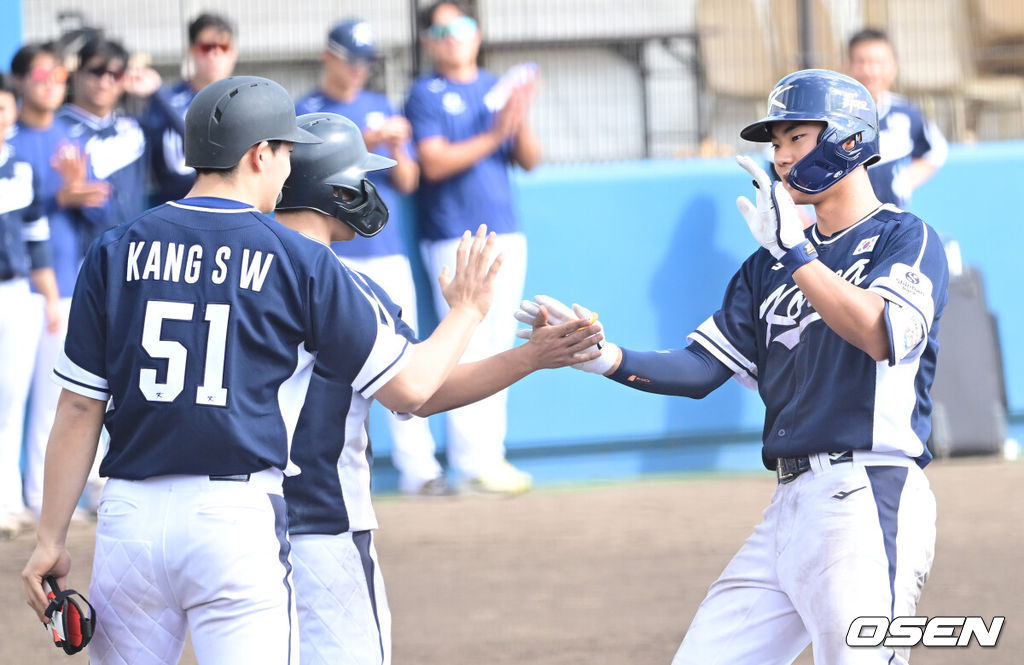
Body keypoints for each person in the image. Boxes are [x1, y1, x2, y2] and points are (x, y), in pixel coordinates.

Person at [19, 75, 499, 665]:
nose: (289, 167)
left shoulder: (115, 247)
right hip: (235, 519)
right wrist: (468, 310)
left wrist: (50, 538)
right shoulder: (299, 258)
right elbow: (414, 387)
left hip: (129, 519)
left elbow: (78, 407)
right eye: (286, 151)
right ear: (258, 154)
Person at [520, 70, 949, 665]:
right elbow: (702, 369)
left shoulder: (905, 237)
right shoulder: (767, 264)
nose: (781, 156)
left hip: (868, 494)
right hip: (788, 506)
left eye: (796, 137)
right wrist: (605, 357)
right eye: (776, 143)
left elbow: (879, 332)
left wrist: (796, 254)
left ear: (847, 138)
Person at [274, 112, 601, 665]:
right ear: (330, 188)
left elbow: (420, 387)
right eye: (358, 177)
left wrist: (531, 355)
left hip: (236, 522)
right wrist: (468, 312)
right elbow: (418, 393)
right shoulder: (346, 288)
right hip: (322, 523)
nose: (368, 189)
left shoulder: (232, 272)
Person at [295, 18, 450, 496]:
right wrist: (366, 141)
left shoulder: (382, 104)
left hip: (383, 251)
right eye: (352, 60)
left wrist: (396, 145)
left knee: (405, 356)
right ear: (329, 56)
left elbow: (407, 181)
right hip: (325, 252)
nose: (360, 69)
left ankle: (420, 469)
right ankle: (317, 468)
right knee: (319, 365)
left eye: (366, 61)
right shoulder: (306, 110)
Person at [405, 0, 543, 494]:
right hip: (454, 234)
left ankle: (489, 458)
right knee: (466, 344)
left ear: (477, 33)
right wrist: (494, 132)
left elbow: (530, 159)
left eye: (462, 26)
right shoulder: (424, 93)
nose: (454, 38)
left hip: (506, 231)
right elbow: (434, 162)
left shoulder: (492, 87)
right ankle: (471, 462)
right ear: (428, 42)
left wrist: (518, 116)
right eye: (442, 31)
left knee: (499, 343)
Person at [9, 41, 100, 520]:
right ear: (20, 80)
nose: (51, 85)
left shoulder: (71, 137)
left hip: (64, 283)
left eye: (59, 76)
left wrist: (82, 194)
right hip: (17, 283)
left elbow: (99, 207)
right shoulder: (10, 139)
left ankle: (43, 500)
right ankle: (10, 498)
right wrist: (59, 198)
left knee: (55, 398)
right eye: (42, 76)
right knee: (10, 397)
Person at [0, 72, 59, 538]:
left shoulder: (21, 168)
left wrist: (50, 297)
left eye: (3, 108)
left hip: (17, 292)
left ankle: (9, 499)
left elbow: (37, 239)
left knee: (13, 395)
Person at [141, 12, 237, 204]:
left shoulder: (245, 101)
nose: (215, 54)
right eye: (206, 47)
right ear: (191, 51)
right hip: (173, 205)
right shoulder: (166, 100)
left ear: (234, 52)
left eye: (223, 47)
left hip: (229, 206)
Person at [847, 28, 948, 210]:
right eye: (862, 62)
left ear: (894, 66)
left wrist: (903, 182)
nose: (871, 71)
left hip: (894, 220)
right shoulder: (835, 115)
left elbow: (936, 152)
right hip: (846, 224)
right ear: (848, 66)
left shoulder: (906, 113)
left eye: (879, 62)